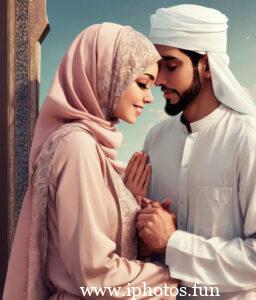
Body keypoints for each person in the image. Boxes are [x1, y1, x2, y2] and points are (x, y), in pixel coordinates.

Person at [127, 5, 256, 300]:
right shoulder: (156, 139)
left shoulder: (254, 142)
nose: (159, 80)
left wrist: (173, 243)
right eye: (157, 66)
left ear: (205, 64)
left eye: (171, 66)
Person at [3, 23, 178, 300]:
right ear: (105, 75)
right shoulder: (77, 146)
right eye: (142, 83)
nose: (148, 97)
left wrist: (130, 206)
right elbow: (94, 275)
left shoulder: (90, 147)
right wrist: (174, 275)